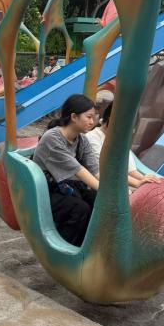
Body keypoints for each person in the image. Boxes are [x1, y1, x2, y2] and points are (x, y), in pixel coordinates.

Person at [33, 94, 99, 246]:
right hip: (45, 191)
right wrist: (107, 191)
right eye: (89, 117)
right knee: (79, 209)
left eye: (94, 117)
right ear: (74, 117)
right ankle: (63, 249)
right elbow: (79, 170)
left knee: (97, 201)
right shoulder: (52, 138)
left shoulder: (82, 140)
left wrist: (115, 190)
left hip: (66, 186)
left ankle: (86, 246)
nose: (92, 122)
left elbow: (95, 170)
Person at [85, 103, 161, 189]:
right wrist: (137, 183)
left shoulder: (119, 139)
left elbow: (131, 170)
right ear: (112, 119)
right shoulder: (92, 137)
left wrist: (144, 179)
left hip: (120, 184)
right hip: (100, 186)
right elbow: (104, 169)